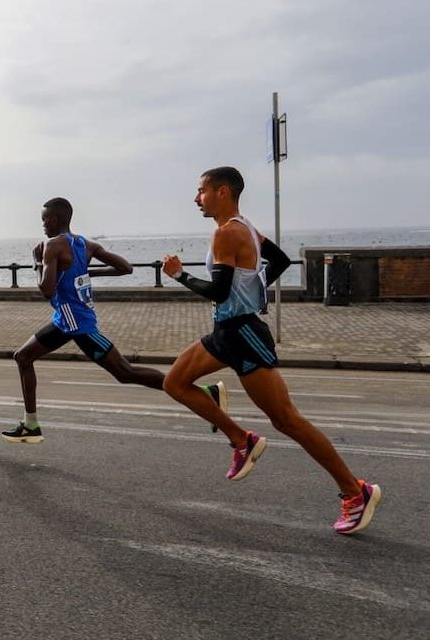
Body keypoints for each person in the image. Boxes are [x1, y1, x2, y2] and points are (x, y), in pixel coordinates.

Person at [161, 166, 381, 534]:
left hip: (244, 335)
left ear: (223, 191)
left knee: (287, 419)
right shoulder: (246, 227)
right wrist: (254, 291)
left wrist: (179, 274)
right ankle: (241, 439)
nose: (196, 198)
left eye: (201, 191)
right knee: (175, 383)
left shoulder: (227, 233)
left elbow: (219, 292)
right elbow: (276, 262)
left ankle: (355, 491)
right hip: (226, 333)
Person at [2, 197, 219, 443]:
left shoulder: (52, 245)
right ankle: (31, 425)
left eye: (44, 219)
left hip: (77, 325)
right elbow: (126, 267)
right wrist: (86, 270)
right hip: (65, 320)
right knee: (23, 356)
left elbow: (47, 290)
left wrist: (36, 262)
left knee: (126, 372)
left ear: (54, 219)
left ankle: (205, 394)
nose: (42, 224)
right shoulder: (85, 244)